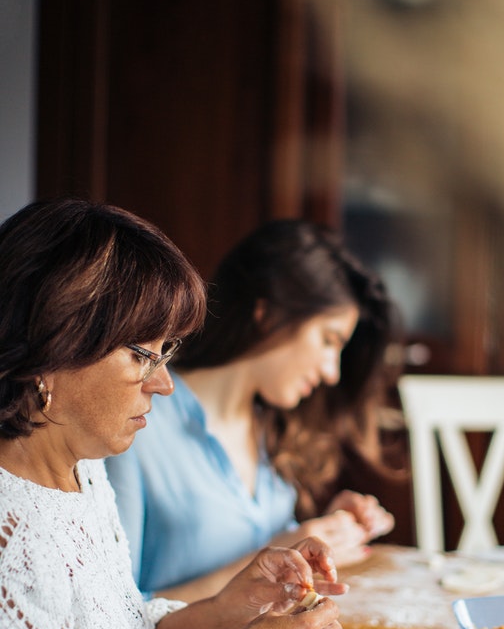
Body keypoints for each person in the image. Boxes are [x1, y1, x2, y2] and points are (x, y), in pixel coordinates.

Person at [0, 198, 346, 629]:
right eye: (143, 355)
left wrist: (234, 606)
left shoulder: (80, 470)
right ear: (53, 347)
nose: (163, 385)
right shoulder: (9, 543)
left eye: (168, 354)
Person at [106, 219, 399, 602]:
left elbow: (267, 544)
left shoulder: (273, 430)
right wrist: (273, 556)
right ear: (270, 314)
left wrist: (321, 533)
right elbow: (113, 618)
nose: (332, 372)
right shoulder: (137, 423)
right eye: (329, 340)